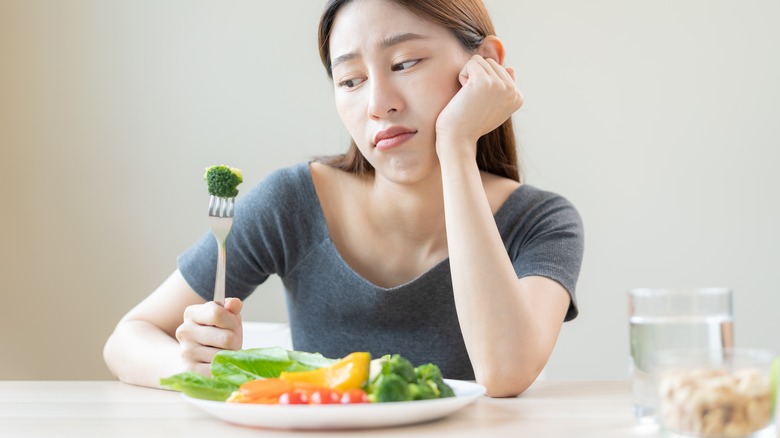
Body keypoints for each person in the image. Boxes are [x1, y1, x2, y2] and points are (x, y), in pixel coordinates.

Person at [103, 0, 584, 398]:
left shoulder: (541, 221)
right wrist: (199, 365)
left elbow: (504, 373)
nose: (378, 104)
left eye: (404, 64)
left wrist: (457, 146)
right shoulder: (291, 202)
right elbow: (127, 339)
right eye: (351, 80)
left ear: (486, 65)